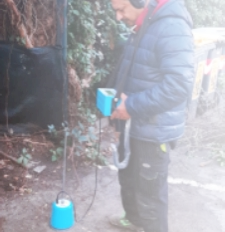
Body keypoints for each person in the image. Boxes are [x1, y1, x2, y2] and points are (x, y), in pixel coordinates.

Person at [107, 0, 195, 231]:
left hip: (153, 130)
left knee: (150, 198)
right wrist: (116, 115)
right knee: (128, 181)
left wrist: (131, 106)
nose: (118, 17)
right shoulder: (144, 23)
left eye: (121, 9)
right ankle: (134, 222)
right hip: (131, 125)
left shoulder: (171, 27)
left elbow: (178, 85)